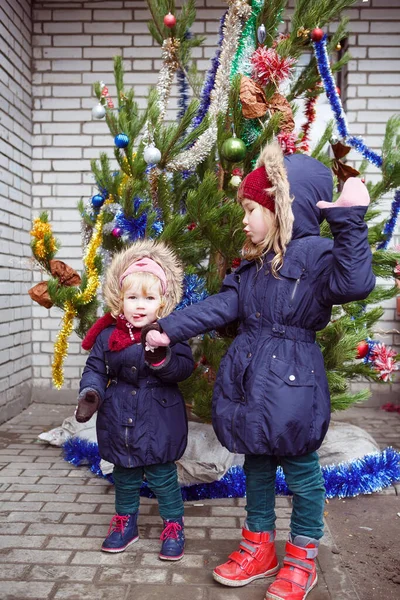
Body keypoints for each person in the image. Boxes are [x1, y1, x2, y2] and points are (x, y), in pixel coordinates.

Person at [143, 143, 375, 599]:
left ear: (284, 208)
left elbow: (354, 283)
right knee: (258, 466)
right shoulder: (253, 268)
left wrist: (350, 221)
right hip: (250, 383)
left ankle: (303, 556)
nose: (244, 220)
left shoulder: (316, 255)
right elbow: (220, 306)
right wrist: (166, 329)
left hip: (294, 384)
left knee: (303, 471)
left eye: (252, 209)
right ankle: (258, 546)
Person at [75, 239, 194, 560]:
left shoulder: (171, 332)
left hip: (159, 417)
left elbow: (184, 367)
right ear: (119, 298)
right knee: (124, 474)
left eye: (149, 298)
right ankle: (125, 522)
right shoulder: (106, 335)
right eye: (132, 297)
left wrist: (162, 358)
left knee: (162, 475)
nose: (140, 305)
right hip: (119, 416)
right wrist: (92, 392)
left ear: (162, 302)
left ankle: (173, 525)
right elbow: (95, 368)